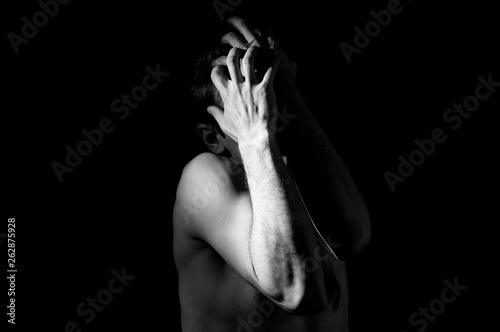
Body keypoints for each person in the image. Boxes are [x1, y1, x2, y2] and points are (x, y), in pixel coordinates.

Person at [173, 16, 371, 332]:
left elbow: (353, 238)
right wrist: (254, 136)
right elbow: (296, 292)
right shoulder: (205, 180)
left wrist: (286, 87)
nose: (269, 112)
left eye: (270, 92)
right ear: (214, 137)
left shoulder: (311, 177)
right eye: (251, 102)